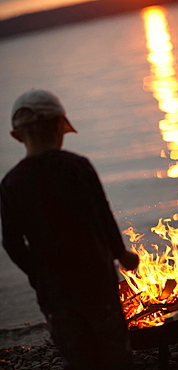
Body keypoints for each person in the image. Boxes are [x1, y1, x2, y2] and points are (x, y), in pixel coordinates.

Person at [0, 89, 139, 370]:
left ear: (17, 136)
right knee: (114, 350)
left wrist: (37, 273)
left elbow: (11, 243)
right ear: (60, 127)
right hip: (96, 280)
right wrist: (122, 254)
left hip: (54, 290)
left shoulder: (11, 183)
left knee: (78, 355)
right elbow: (102, 218)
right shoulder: (77, 167)